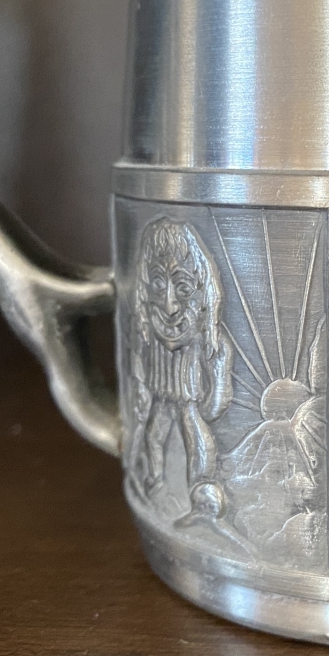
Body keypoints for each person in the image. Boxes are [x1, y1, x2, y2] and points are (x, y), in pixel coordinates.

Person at [132, 218, 238, 538]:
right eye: (157, 285)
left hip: (188, 397)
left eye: (182, 289)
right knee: (154, 435)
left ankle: (202, 497)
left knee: (196, 438)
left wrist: (217, 388)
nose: (169, 305)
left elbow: (216, 396)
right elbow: (138, 358)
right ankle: (156, 483)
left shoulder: (206, 340)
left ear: (203, 294)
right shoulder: (149, 332)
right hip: (161, 394)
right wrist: (140, 385)